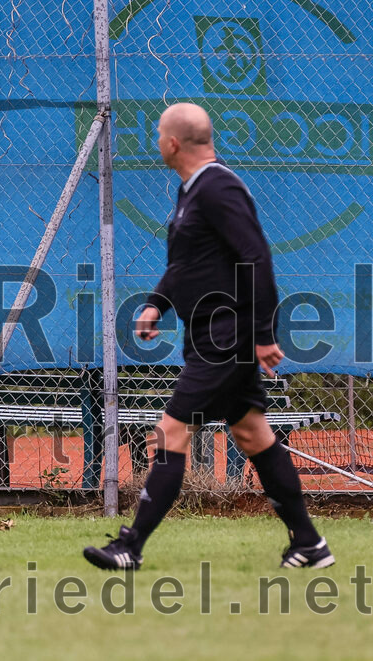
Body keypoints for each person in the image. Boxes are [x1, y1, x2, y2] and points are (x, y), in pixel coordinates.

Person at [83, 103, 331, 569]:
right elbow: (187, 265)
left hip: (226, 335)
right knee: (253, 434)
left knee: (170, 430)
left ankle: (129, 547)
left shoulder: (218, 186)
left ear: (174, 142)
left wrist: (261, 334)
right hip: (209, 334)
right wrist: (158, 301)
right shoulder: (192, 191)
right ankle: (309, 543)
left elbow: (256, 257)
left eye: (159, 133)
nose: (157, 140)